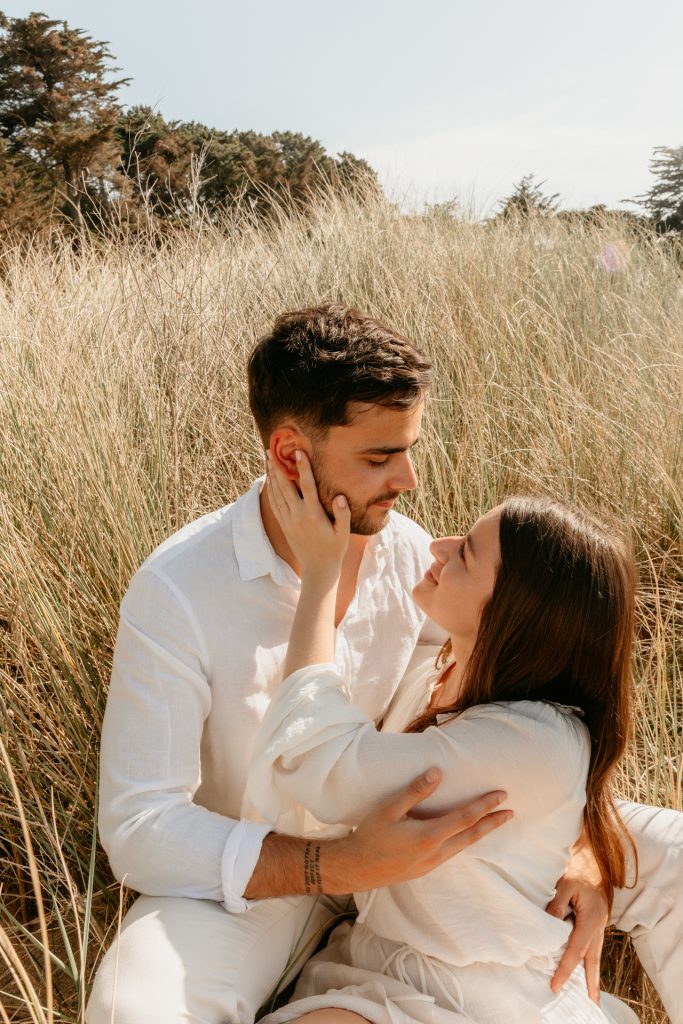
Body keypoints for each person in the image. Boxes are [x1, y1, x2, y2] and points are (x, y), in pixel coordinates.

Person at [86, 305, 682, 1024]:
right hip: (267, 874)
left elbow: (500, 729)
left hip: (434, 843)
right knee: (133, 1009)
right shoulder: (179, 587)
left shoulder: (411, 554)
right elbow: (140, 827)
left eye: (409, 447)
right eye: (378, 457)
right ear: (289, 456)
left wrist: (583, 843)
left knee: (675, 857)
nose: (408, 478)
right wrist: (335, 866)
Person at [244, 455, 641, 1023]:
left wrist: (320, 580)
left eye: (467, 554)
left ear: (512, 614)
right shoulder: (442, 670)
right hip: (384, 973)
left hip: (491, 1000)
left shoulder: (538, 741)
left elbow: (318, 762)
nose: (440, 547)